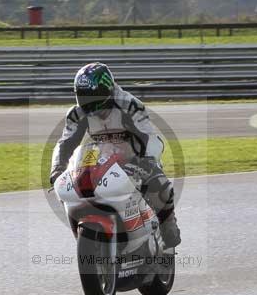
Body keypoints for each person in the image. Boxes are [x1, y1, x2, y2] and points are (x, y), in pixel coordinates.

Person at [50, 62, 181, 249]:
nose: (90, 103)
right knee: (68, 188)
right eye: (84, 96)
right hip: (101, 159)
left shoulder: (129, 105)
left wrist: (148, 161)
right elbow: (65, 143)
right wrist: (57, 168)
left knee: (159, 184)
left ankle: (168, 226)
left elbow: (150, 136)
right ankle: (89, 231)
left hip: (135, 158)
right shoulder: (77, 114)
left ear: (108, 90)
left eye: (94, 96)